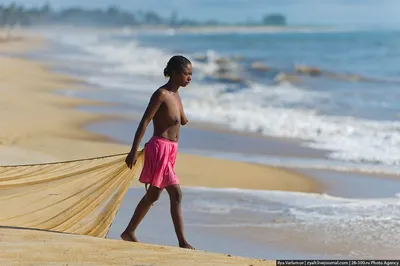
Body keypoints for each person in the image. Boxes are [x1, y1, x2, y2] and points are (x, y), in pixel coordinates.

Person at [120, 55, 194, 249]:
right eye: (187, 74)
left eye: (191, 74)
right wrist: (133, 151)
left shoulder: (176, 96)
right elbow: (144, 121)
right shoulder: (160, 94)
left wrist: (180, 117)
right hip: (159, 148)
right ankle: (182, 242)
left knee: (153, 195)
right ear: (176, 73)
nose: (190, 78)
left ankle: (129, 232)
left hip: (171, 151)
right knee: (175, 193)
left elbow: (182, 120)